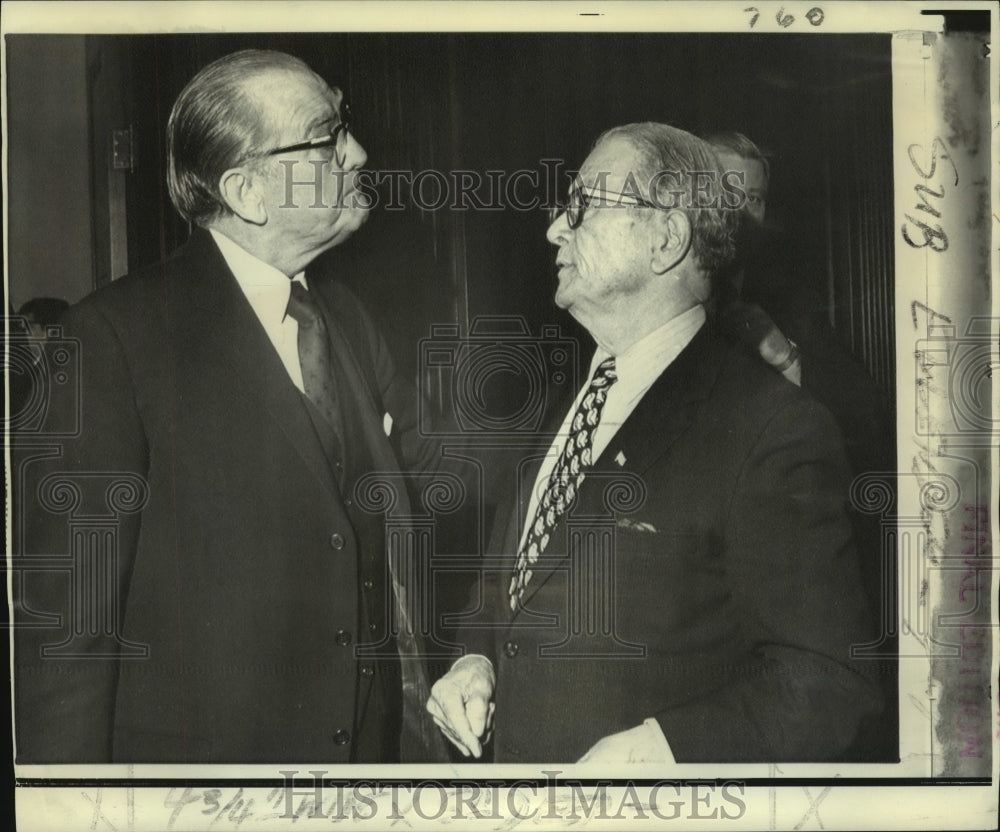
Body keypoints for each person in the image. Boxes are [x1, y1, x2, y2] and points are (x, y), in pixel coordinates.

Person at [14, 49, 456, 764]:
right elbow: (66, 634)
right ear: (248, 192)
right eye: (327, 136)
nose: (360, 151)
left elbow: (431, 498)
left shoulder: (345, 317)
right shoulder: (111, 340)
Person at [427, 122, 882, 763]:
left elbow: (829, 683)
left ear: (666, 239)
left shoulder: (771, 427)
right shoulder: (572, 396)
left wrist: (661, 752)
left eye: (583, 206)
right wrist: (474, 658)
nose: (556, 227)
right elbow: (512, 581)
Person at [708, 130, 898, 760]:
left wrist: (785, 355)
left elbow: (869, 424)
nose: (739, 216)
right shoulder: (655, 300)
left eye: (753, 200)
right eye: (725, 195)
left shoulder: (790, 300)